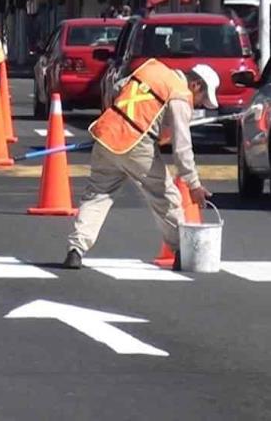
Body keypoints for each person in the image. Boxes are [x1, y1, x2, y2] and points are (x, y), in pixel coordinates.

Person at [63, 59, 220, 271]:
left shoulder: (152, 69)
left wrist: (118, 120)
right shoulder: (180, 95)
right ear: (196, 85)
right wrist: (194, 184)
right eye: (202, 99)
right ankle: (182, 251)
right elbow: (182, 147)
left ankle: (76, 249)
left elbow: (117, 88)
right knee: (165, 197)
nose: (199, 104)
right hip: (137, 145)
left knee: (97, 194)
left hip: (106, 134)